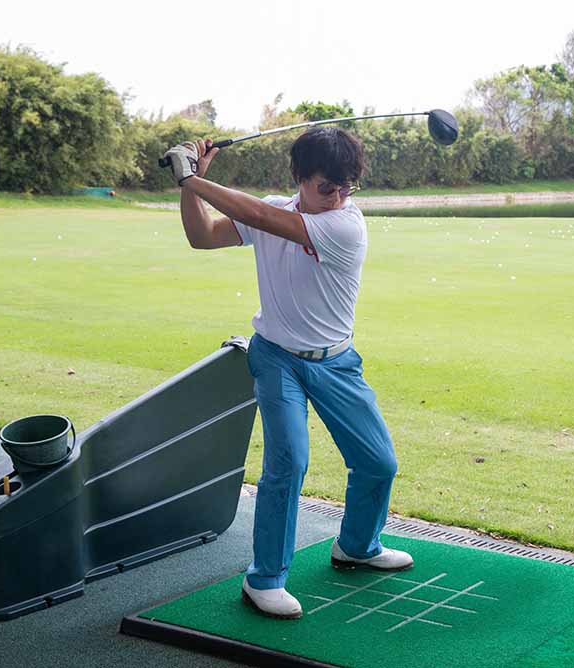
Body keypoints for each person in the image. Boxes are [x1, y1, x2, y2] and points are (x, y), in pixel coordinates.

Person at [162, 128, 413, 621]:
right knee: (288, 463)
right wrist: (188, 189)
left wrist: (191, 178)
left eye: (347, 187)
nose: (338, 197)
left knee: (378, 463)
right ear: (300, 177)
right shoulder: (279, 210)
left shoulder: (345, 225)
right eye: (326, 187)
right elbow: (203, 236)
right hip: (276, 357)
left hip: (337, 362)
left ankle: (357, 546)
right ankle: (265, 579)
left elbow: (258, 215)